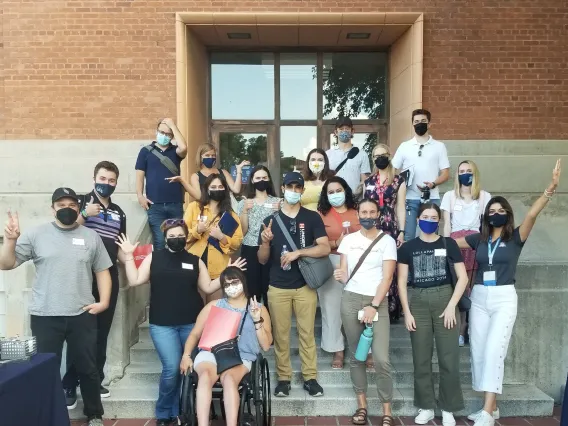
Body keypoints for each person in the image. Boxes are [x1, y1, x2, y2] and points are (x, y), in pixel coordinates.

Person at [454, 160, 561, 426]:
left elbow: (532, 215)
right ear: (486, 215)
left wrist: (550, 189)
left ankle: (487, 413)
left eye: (501, 210)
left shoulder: (515, 237)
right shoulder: (478, 238)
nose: (496, 213)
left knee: (494, 352)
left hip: (503, 298)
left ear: (508, 214)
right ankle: (493, 406)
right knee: (478, 352)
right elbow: (448, 242)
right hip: (478, 297)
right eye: (492, 210)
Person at [0, 188, 113, 426]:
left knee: (88, 367)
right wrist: (10, 241)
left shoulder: (91, 237)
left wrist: (103, 302)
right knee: (43, 368)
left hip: (82, 313)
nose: (67, 209)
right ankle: (44, 415)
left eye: (72, 205)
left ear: (78, 208)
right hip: (45, 314)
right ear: (53, 208)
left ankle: (94, 414)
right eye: (61, 205)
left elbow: (102, 270)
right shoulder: (36, 234)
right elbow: (7, 264)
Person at [116, 220, 246, 426]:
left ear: (186, 237)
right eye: (172, 236)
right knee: (170, 368)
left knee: (189, 369)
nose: (176, 239)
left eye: (179, 236)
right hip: (162, 324)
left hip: (191, 325)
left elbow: (209, 287)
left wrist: (226, 273)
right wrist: (129, 256)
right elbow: (135, 280)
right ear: (165, 237)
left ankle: (184, 411)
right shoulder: (154, 258)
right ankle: (164, 412)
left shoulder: (195, 260)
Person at [258, 171, 331, 398]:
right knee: (280, 335)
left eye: (297, 187)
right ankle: (283, 378)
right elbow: (262, 259)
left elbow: (324, 247)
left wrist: (298, 252)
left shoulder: (312, 218)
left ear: (302, 191)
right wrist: (265, 242)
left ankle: (310, 378)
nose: (293, 191)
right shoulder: (269, 220)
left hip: (304, 286)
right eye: (289, 187)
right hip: (278, 286)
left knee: (306, 333)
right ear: (283, 189)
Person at [397, 202, 468, 426]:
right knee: (421, 357)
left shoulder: (449, 244)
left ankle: (448, 408)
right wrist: (406, 312)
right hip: (417, 301)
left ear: (439, 220)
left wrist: (451, 306)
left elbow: (463, 278)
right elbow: (400, 281)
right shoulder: (407, 248)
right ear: (417, 220)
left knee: (449, 358)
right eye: (425, 216)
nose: (429, 219)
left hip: (445, 300)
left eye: (434, 216)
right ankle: (426, 405)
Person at [63, 161, 127, 405]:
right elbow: (65, 230)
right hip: (82, 277)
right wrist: (83, 215)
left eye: (111, 180)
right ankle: (69, 384)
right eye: (103, 178)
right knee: (78, 332)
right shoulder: (81, 202)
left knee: (101, 332)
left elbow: (121, 246)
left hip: (109, 278)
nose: (106, 184)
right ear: (94, 178)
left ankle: (95, 379)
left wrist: (134, 258)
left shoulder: (120, 211)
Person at [180, 267, 273, 426]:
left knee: (229, 379)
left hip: (241, 355)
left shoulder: (259, 308)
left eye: (235, 282)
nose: (231, 286)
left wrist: (257, 320)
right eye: (227, 284)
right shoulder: (214, 305)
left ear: (243, 281)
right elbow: (195, 333)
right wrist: (186, 355)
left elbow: (265, 345)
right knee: (204, 378)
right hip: (212, 352)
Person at [333, 199, 397, 426]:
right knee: (357, 356)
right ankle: (362, 406)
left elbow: (387, 277)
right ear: (357, 214)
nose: (368, 215)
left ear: (378, 214)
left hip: (375, 301)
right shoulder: (348, 240)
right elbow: (344, 271)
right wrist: (340, 275)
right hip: (350, 299)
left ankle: (386, 409)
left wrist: (373, 305)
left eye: (372, 211)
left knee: (381, 358)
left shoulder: (387, 241)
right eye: (363, 212)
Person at [441, 160, 491, 347]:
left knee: (472, 287)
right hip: (455, 242)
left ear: (475, 173)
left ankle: (471, 328)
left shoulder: (485, 197)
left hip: (476, 242)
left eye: (469, 171)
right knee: (457, 287)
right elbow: (446, 223)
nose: (465, 174)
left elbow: (487, 225)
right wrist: (446, 245)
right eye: (461, 171)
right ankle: (459, 330)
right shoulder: (449, 196)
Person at [316, 176, 360, 370]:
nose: (335, 195)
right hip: (332, 261)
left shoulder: (358, 211)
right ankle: (337, 350)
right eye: (330, 192)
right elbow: (316, 241)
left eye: (338, 190)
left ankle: (364, 350)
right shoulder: (320, 214)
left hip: (359, 263)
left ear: (346, 190)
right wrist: (336, 243)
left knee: (360, 306)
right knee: (331, 308)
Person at [391, 109, 450, 241]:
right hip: (409, 199)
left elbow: (446, 173)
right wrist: (402, 182)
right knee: (409, 236)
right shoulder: (404, 146)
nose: (419, 124)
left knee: (431, 236)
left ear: (429, 124)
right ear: (412, 124)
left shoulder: (439, 146)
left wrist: (433, 184)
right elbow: (392, 170)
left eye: (423, 121)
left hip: (432, 197)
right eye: (416, 121)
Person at [364, 143, 407, 321]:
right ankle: (374, 303)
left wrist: (402, 231)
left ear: (389, 156)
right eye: (376, 156)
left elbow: (401, 207)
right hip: (373, 227)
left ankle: (392, 308)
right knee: (374, 265)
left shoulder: (399, 181)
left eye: (383, 154)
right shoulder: (368, 182)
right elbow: (365, 208)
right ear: (373, 159)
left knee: (390, 268)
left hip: (391, 227)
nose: (380, 158)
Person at [184, 173, 243, 301]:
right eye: (213, 187)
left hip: (218, 269)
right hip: (194, 265)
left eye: (220, 187)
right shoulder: (194, 207)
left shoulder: (231, 215)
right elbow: (182, 236)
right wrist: (197, 230)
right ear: (207, 189)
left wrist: (222, 237)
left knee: (214, 311)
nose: (217, 190)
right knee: (196, 309)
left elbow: (237, 242)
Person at [135, 118, 187, 250]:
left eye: (168, 134)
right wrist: (140, 196)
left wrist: (172, 125)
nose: (164, 135)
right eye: (161, 132)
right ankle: (161, 269)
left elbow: (184, 147)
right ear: (156, 131)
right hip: (155, 206)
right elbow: (139, 176)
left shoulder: (175, 151)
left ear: (172, 136)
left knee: (178, 240)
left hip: (175, 204)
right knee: (160, 242)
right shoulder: (146, 151)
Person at [236, 165, 281, 307]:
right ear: (252, 181)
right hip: (250, 248)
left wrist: (279, 212)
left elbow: (282, 228)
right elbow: (242, 232)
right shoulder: (244, 202)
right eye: (258, 178)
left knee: (270, 291)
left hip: (272, 249)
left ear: (269, 180)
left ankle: (270, 327)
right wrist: (244, 211)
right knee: (251, 292)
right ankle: (252, 326)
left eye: (264, 177)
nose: (261, 180)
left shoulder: (278, 202)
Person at [182, 143, 250, 200]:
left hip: (223, 208)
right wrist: (182, 182)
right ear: (200, 157)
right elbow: (199, 196)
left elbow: (236, 190)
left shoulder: (223, 172)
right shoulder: (196, 176)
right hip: (206, 210)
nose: (211, 157)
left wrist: (239, 170)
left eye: (213, 155)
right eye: (207, 155)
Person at [326, 117, 371, 193]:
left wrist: (357, 196)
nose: (344, 131)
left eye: (347, 128)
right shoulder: (328, 154)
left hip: (354, 200)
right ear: (336, 132)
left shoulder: (362, 155)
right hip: (333, 199)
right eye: (341, 129)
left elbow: (364, 182)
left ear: (352, 131)